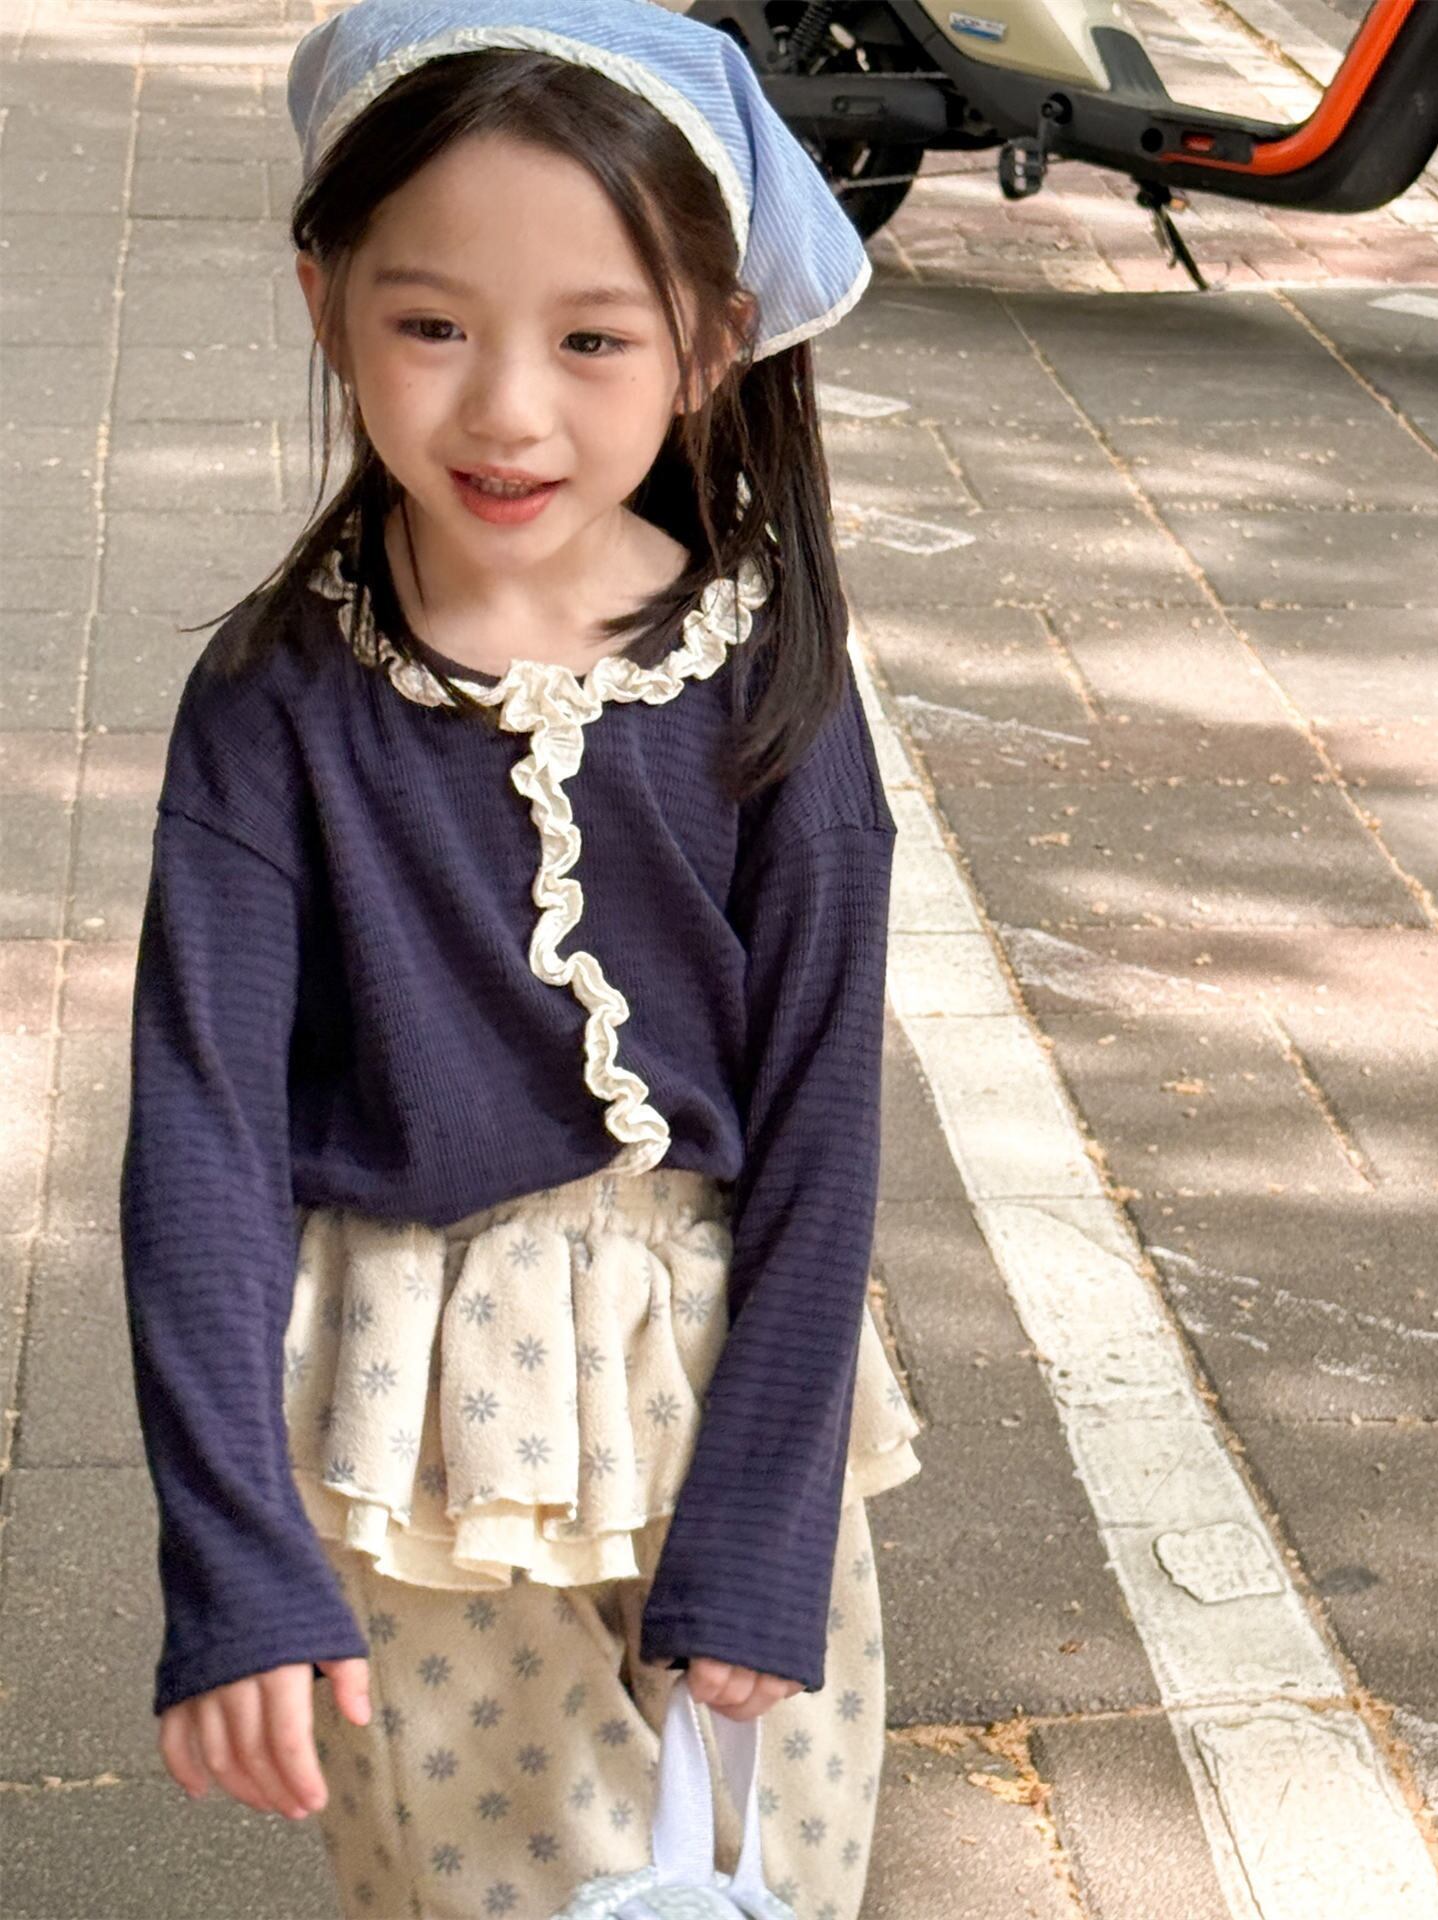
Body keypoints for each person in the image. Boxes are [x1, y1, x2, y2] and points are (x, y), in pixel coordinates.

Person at [116, 4, 925, 1915]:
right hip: (418, 1444)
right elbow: (202, 1139)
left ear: (712, 341)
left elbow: (823, 1131)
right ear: (325, 303)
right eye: (432, 323)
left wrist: (766, 1521)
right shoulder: (271, 705)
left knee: (765, 1880)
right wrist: (232, 1552)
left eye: (592, 338)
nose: (505, 411)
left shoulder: (776, 689)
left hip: (724, 1405)